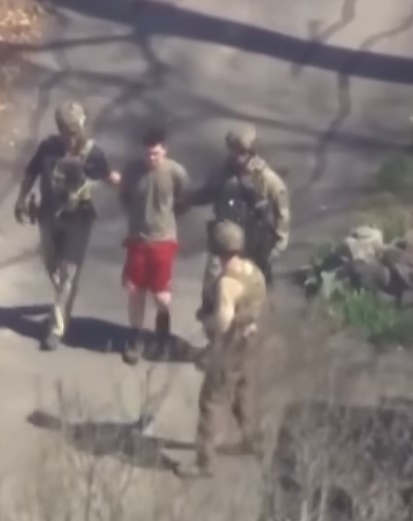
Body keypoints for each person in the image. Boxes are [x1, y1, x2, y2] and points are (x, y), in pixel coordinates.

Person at [14, 100, 120, 351]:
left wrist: (129, 184)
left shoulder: (93, 154)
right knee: (51, 266)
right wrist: (21, 199)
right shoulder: (47, 148)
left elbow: (108, 176)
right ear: (59, 128)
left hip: (78, 220)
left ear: (81, 127)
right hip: (48, 216)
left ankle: (56, 327)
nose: (70, 137)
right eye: (66, 131)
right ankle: (66, 293)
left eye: (74, 131)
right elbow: (31, 173)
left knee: (68, 271)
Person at [175, 220, 268, 479]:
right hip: (251, 341)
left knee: (211, 401)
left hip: (230, 346)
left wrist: (208, 341)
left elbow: (223, 322)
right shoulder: (254, 272)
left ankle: (205, 462)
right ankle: (253, 440)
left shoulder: (227, 282)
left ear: (216, 249)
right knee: (243, 393)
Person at [185, 125, 290, 319]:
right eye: (234, 151)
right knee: (212, 287)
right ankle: (213, 325)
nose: (237, 157)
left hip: (253, 244)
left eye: (242, 152)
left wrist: (280, 242)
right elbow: (208, 192)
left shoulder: (265, 178)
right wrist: (187, 199)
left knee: (255, 291)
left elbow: (282, 209)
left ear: (251, 152)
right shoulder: (222, 172)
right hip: (223, 241)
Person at [118, 126, 190, 365]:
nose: (152, 158)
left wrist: (166, 218)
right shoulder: (132, 170)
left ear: (164, 150)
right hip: (137, 240)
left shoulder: (176, 172)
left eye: (156, 153)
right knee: (135, 291)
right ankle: (135, 338)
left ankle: (162, 333)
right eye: (148, 153)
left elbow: (184, 199)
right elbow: (124, 196)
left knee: (161, 295)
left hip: (163, 241)